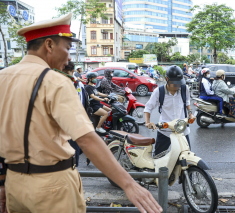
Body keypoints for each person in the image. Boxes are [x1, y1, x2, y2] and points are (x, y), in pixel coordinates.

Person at [0, 13, 162, 213]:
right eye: (67, 48)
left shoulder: (3, 78)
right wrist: (129, 184)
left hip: (14, 185)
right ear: (49, 45)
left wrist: (2, 182)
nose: (69, 56)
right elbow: (86, 139)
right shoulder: (56, 82)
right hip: (53, 189)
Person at [144, 65, 195, 155]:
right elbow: (148, 107)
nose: (177, 85)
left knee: (186, 156)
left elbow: (187, 102)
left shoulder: (184, 88)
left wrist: (190, 114)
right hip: (165, 130)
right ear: (167, 79)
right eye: (175, 83)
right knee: (159, 156)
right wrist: (147, 122)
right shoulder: (159, 91)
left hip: (181, 130)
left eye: (179, 83)